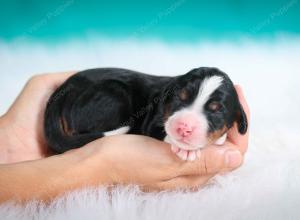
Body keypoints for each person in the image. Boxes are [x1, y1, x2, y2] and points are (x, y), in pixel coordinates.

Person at [0, 71, 250, 203]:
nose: (186, 125)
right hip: (90, 97)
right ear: (170, 94)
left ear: (235, 121)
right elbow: (152, 128)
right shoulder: (159, 100)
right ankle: (82, 135)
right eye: (181, 101)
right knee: (119, 100)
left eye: (214, 112)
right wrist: (100, 166)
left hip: (77, 103)